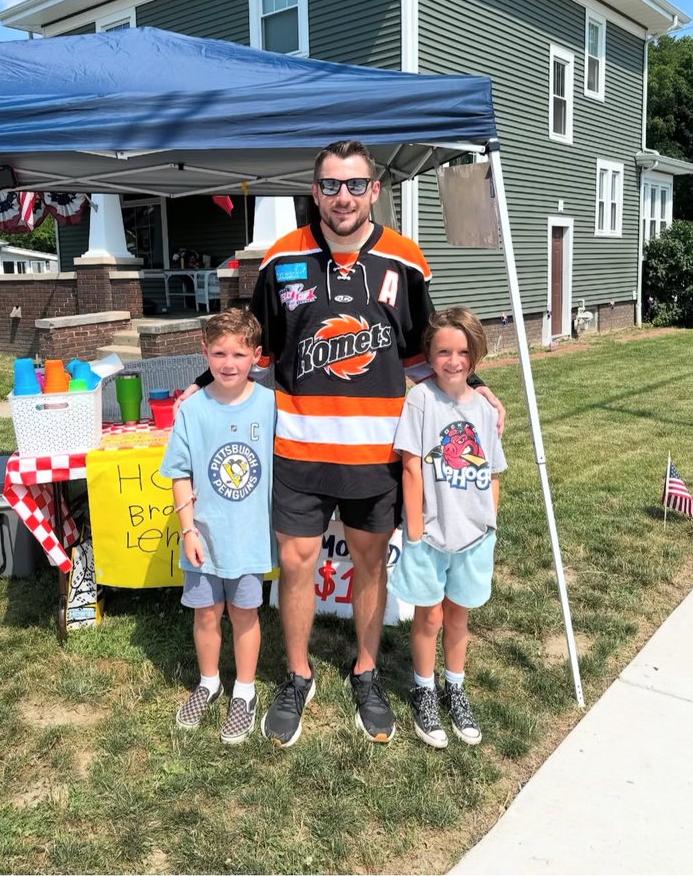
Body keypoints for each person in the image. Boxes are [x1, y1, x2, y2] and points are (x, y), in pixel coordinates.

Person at [178, 140, 505, 748]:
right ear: (315, 192)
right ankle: (297, 675)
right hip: (299, 448)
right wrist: (196, 388)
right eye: (330, 186)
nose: (343, 197)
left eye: (355, 185)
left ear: (374, 190)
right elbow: (255, 345)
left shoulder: (405, 260)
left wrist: (476, 384)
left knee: (370, 564)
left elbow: (425, 348)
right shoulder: (281, 259)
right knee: (298, 564)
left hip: (376, 452)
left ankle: (366, 671)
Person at [389, 307, 506, 748]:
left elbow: (494, 470)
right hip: (430, 535)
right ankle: (423, 688)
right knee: (430, 615)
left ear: (474, 356)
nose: (453, 361)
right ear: (429, 355)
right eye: (443, 352)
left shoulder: (484, 410)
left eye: (462, 352)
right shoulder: (420, 399)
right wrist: (415, 531)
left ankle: (454, 686)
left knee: (459, 615)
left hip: (474, 535)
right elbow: (412, 465)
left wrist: (489, 522)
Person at [162, 308, 276, 744]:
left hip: (249, 537)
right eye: (218, 353)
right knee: (206, 614)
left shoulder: (269, 405)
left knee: (245, 614)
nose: (228, 363)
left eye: (239, 354)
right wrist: (188, 530)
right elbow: (180, 473)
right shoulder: (192, 410)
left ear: (257, 357)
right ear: (204, 353)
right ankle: (208, 682)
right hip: (203, 538)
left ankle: (244, 692)